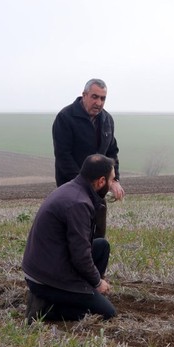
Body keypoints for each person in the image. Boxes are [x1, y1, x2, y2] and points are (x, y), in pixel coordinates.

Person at [22, 154, 118, 323]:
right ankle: (47, 309)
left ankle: (78, 294)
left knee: (101, 246)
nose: (112, 186)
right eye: (112, 180)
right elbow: (80, 256)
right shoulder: (78, 204)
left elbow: (83, 247)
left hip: (48, 263)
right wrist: (97, 282)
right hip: (47, 278)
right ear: (101, 181)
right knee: (107, 313)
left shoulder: (73, 188)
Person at [52, 78, 124, 237]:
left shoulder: (107, 120)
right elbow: (63, 156)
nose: (99, 102)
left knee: (98, 236)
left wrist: (114, 180)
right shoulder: (65, 118)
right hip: (71, 190)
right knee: (74, 236)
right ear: (84, 95)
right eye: (94, 96)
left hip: (99, 190)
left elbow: (112, 152)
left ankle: (96, 261)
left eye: (103, 98)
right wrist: (84, 185)